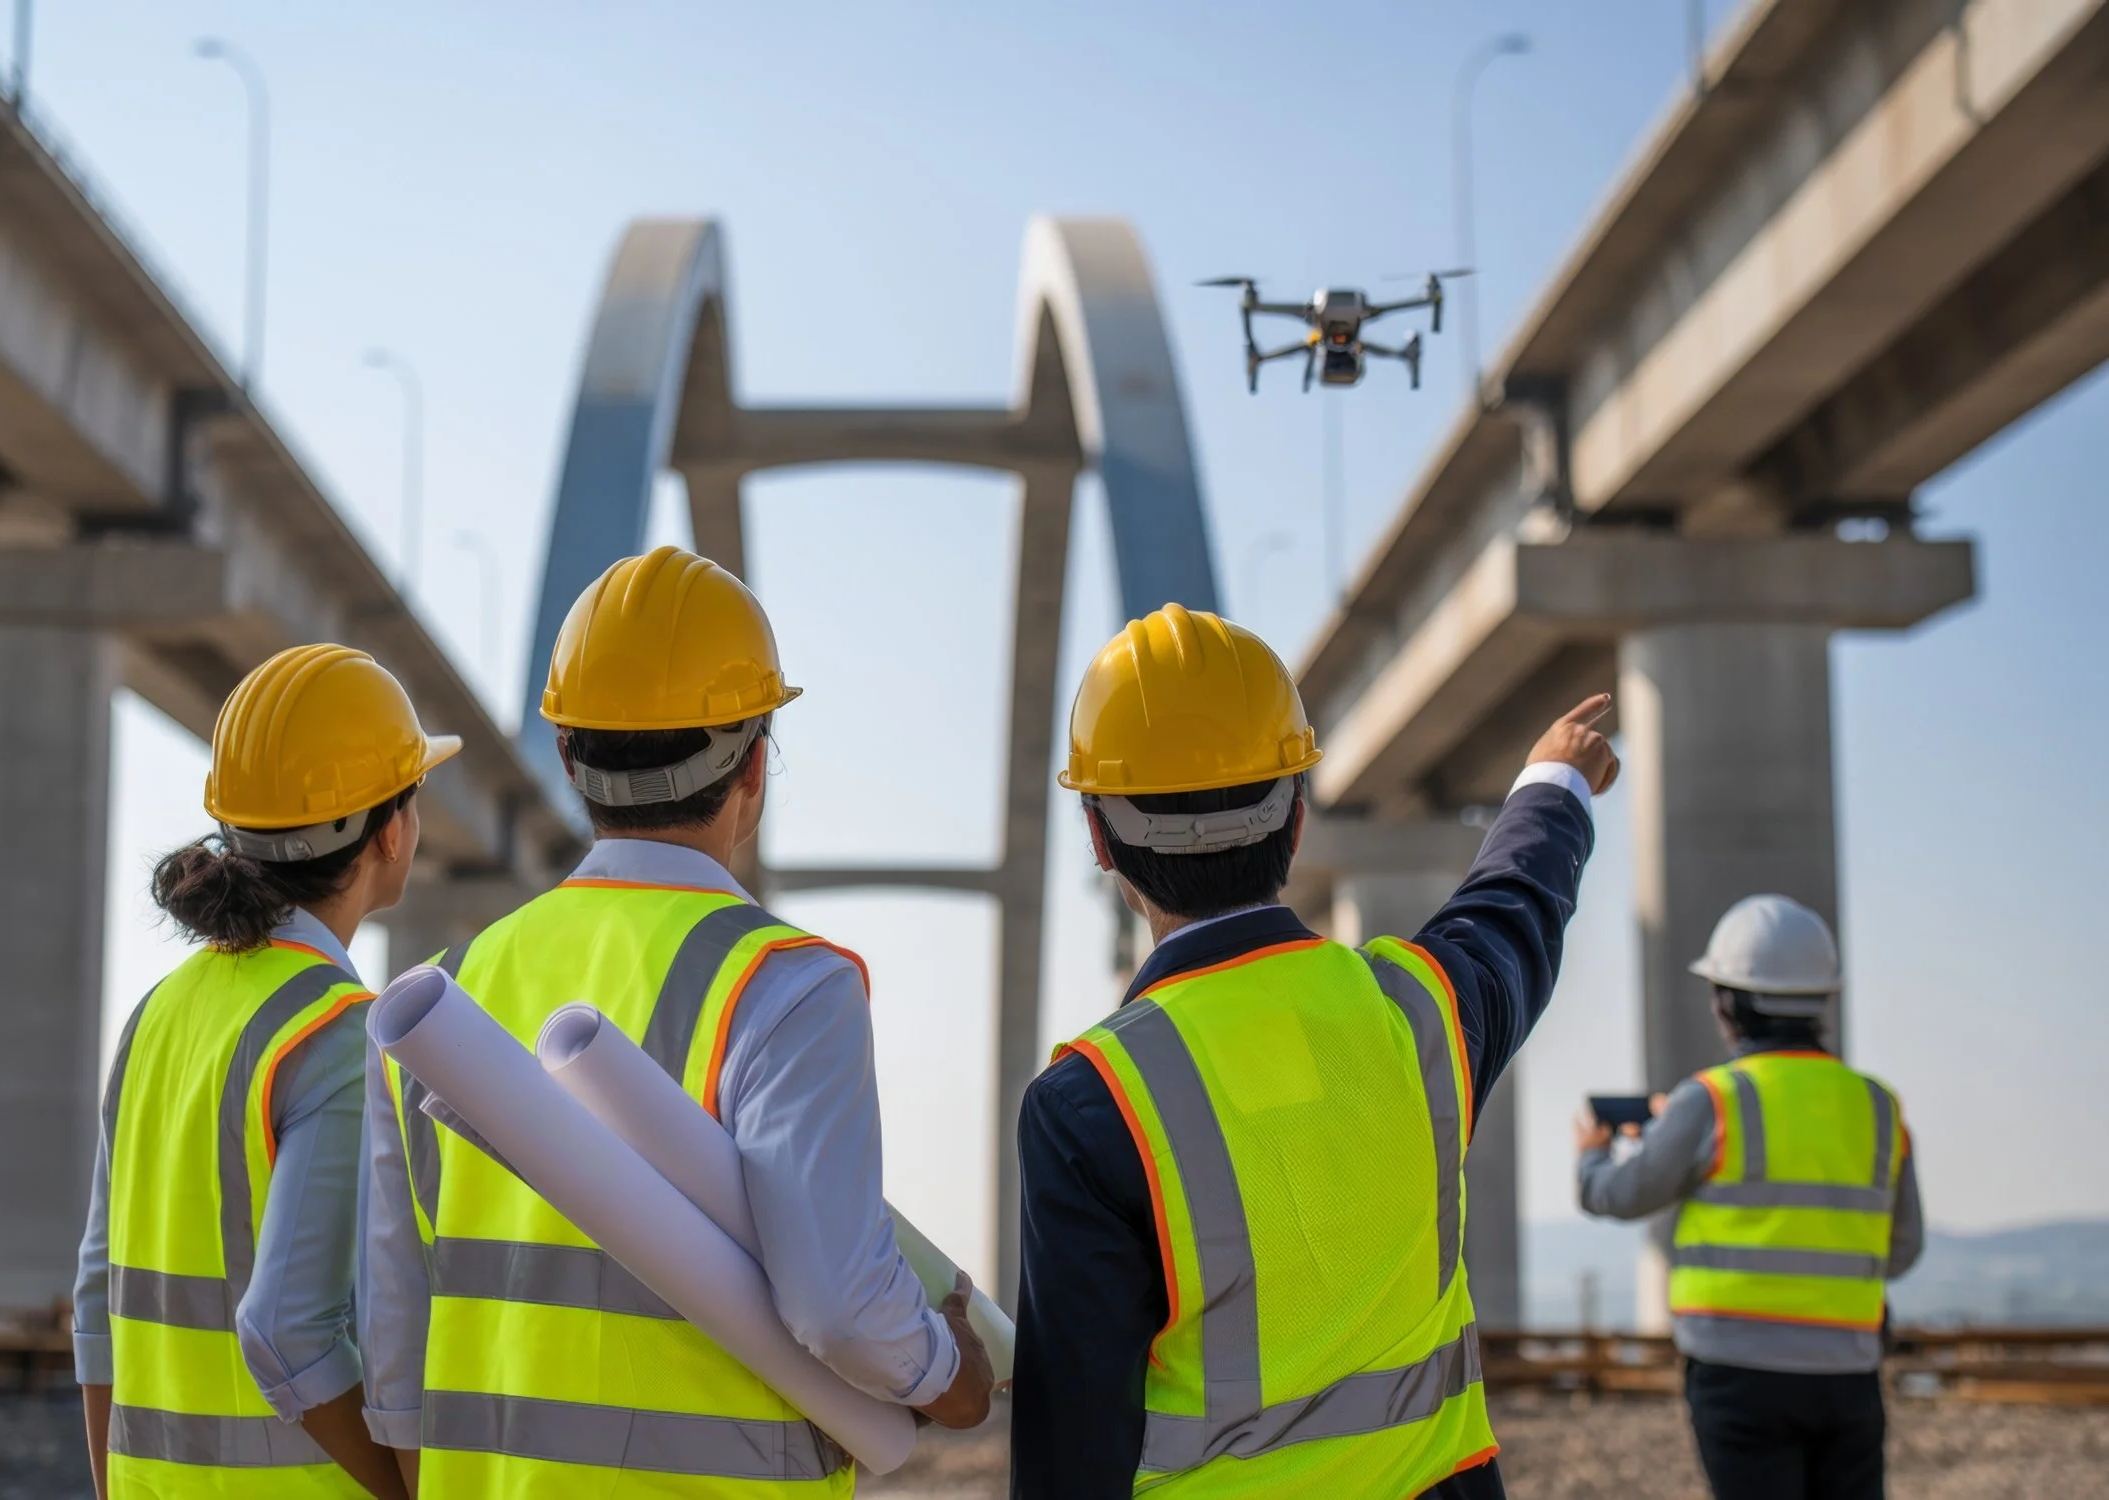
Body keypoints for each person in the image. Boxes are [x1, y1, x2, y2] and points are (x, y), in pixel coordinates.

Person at [359, 544, 993, 1496]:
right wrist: (952, 1376)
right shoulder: (787, 987)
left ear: (568, 756)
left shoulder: (447, 994)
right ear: (754, 770)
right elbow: (839, 1306)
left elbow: (395, 1339)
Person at [1012, 604, 1619, 1499]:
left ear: (1102, 842)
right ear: (1297, 817)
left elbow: (1075, 1446)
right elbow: (1513, 908)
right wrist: (1552, 784)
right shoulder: (1422, 1015)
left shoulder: (1092, 1104)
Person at [75, 643, 458, 1500]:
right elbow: (285, 1331)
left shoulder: (158, 1014)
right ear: (390, 831)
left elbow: (97, 1297)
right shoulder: (336, 1032)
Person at [1578, 894, 1922, 1500]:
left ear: (1726, 1003)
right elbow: (1900, 1250)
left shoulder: (1712, 1100)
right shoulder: (1878, 1105)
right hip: (1849, 1371)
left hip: (1740, 1376)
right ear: (1823, 998)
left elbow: (1619, 1194)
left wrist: (1593, 1152)